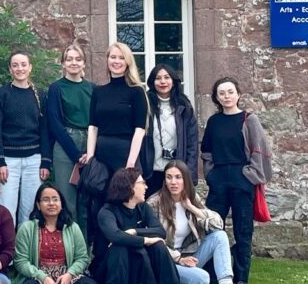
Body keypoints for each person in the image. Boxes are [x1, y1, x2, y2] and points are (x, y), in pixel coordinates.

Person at [147, 160, 253, 284]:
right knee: (203, 279)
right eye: (169, 177)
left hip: (188, 259)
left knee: (219, 236)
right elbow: (153, 240)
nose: (173, 182)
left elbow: (218, 224)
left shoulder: (192, 198)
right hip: (166, 261)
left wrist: (192, 208)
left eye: (178, 177)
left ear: (185, 180)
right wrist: (178, 259)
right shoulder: (154, 203)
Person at [94, 167, 196, 284]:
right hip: (110, 269)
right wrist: (144, 241)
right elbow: (115, 236)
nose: (146, 187)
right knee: (119, 247)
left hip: (139, 264)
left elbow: (160, 231)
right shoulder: (107, 211)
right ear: (129, 187)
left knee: (159, 246)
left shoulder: (143, 208)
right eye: (142, 183)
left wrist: (135, 231)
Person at [201, 76, 273, 284]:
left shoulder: (249, 120)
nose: (226, 96)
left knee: (243, 230)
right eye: (221, 93)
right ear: (216, 97)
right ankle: (211, 274)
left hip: (243, 180)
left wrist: (250, 175)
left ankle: (241, 277)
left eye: (230, 92)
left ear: (238, 94)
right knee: (212, 227)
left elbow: (260, 151)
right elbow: (206, 152)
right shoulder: (214, 122)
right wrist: (211, 175)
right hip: (219, 180)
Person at [84, 42, 147, 240]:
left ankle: (126, 248)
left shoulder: (136, 91)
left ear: (128, 62)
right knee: (100, 206)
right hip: (102, 157)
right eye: (113, 57)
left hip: (125, 155)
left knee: (124, 204)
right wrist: (91, 157)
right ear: (107, 60)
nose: (116, 61)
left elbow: (139, 130)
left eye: (121, 58)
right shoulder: (98, 91)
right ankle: (100, 257)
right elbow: (93, 127)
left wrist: (130, 164)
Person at [11, 182, 100, 284]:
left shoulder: (72, 227)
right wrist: (43, 277)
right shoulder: (27, 228)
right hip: (37, 277)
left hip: (66, 278)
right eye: (46, 200)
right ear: (38, 205)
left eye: (55, 199)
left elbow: (82, 258)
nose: (51, 203)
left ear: (61, 204)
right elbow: (20, 261)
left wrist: (70, 274)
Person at [0, 50, 51, 225]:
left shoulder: (39, 95)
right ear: (10, 69)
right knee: (6, 210)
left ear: (30, 67)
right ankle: (8, 251)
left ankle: (27, 251)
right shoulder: (1, 94)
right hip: (8, 161)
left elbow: (45, 130)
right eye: (15, 65)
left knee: (30, 211)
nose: (20, 68)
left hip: (34, 160)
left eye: (23, 64)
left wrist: (45, 161)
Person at [45, 43, 93, 235]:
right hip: (66, 145)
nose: (74, 63)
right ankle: (68, 248)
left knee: (87, 202)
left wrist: (89, 151)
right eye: (69, 59)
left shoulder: (92, 88)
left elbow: (97, 120)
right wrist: (75, 155)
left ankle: (87, 252)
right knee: (67, 201)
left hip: (90, 144)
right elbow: (55, 124)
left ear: (84, 63)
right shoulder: (56, 88)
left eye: (78, 59)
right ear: (63, 64)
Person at [144, 64, 199, 197]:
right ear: (152, 82)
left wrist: (189, 174)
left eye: (167, 77)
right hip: (151, 172)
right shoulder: (145, 104)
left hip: (176, 173)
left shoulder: (184, 106)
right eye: (158, 78)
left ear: (173, 81)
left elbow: (192, 144)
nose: (163, 82)